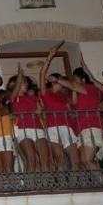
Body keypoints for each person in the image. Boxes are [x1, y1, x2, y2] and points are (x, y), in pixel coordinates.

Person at [54, 65, 103, 170]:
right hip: (83, 128)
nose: (73, 81)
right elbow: (74, 102)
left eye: (75, 78)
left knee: (87, 160)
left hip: (92, 126)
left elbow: (73, 86)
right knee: (83, 162)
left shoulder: (89, 88)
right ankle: (99, 182)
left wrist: (57, 79)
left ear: (83, 79)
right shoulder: (80, 93)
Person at [38, 42, 75, 170]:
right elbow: (42, 74)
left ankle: (74, 184)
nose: (62, 84)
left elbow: (71, 110)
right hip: (52, 128)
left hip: (66, 127)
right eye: (59, 81)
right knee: (59, 159)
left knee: (75, 159)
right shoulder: (45, 93)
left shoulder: (65, 96)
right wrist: (50, 56)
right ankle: (63, 186)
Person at [8, 68, 43, 172]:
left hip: (38, 128)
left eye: (26, 82)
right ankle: (30, 187)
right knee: (31, 159)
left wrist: (39, 110)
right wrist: (20, 76)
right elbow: (16, 89)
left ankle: (43, 185)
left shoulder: (33, 97)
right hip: (23, 130)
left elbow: (39, 112)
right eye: (24, 82)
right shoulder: (13, 98)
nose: (26, 84)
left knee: (40, 159)